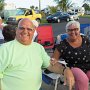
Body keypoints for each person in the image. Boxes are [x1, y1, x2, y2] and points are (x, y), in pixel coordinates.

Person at [0, 18, 74, 90]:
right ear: (17, 30)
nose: (25, 31)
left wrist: (65, 70)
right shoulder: (4, 49)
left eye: (29, 29)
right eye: (22, 28)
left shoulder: (38, 48)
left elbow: (50, 65)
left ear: (34, 31)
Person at [52, 20, 90, 90]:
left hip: (87, 65)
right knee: (83, 79)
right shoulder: (63, 44)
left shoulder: (85, 39)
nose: (73, 32)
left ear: (79, 30)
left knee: (83, 80)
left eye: (76, 29)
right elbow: (54, 59)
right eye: (70, 30)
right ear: (67, 32)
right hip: (73, 67)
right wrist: (56, 63)